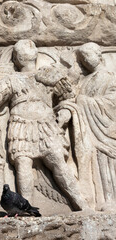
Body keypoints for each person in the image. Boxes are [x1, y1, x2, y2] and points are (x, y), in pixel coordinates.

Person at [0, 40, 89, 211]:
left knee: (57, 162)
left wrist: (65, 113)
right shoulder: (12, 80)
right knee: (24, 164)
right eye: (20, 52)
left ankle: (81, 204)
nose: (24, 55)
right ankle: (26, 209)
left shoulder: (49, 76)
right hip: (21, 124)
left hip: (45, 123)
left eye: (27, 51)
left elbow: (67, 97)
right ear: (15, 59)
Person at [57, 42, 116, 211]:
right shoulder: (84, 80)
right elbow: (74, 97)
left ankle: (111, 200)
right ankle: (100, 200)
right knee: (95, 163)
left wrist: (83, 102)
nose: (85, 60)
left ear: (99, 56)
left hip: (105, 128)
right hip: (88, 129)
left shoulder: (110, 77)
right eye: (82, 58)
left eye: (88, 55)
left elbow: (112, 101)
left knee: (107, 162)